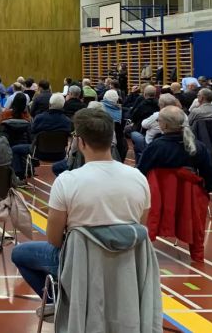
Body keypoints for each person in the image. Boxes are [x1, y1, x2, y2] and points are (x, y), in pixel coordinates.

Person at [11, 108, 151, 321]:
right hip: (126, 262)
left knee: (19, 253)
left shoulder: (67, 181)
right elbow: (140, 229)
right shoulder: (139, 178)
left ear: (81, 142)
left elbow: (54, 239)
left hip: (81, 263)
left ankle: (60, 304)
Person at [138, 106, 212, 193]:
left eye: (158, 120)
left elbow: (141, 174)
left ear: (165, 125)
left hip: (159, 197)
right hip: (189, 200)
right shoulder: (199, 147)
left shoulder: (154, 147)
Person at [11, 94, 72, 178]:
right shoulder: (67, 121)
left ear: (49, 104)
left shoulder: (40, 118)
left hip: (39, 153)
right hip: (60, 154)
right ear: (63, 105)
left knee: (15, 149)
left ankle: (19, 175)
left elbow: (32, 131)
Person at [130, 94, 181, 165]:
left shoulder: (158, 115)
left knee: (133, 134)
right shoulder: (182, 114)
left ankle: (139, 163)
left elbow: (144, 124)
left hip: (151, 143)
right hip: (175, 143)